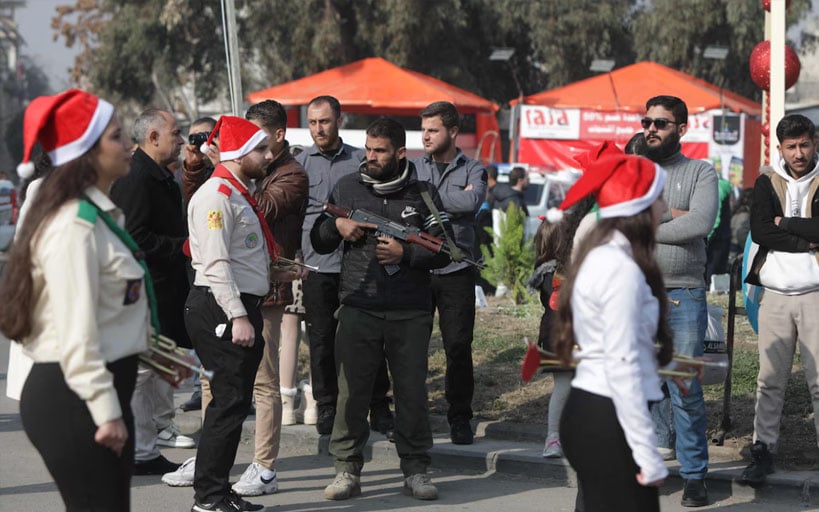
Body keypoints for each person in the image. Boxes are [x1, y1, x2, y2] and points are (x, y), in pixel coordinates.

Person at [0, 89, 148, 510]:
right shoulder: (72, 226)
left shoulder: (96, 215)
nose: (129, 145)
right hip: (77, 398)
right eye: (117, 136)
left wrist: (154, 355)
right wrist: (106, 411)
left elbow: (107, 310)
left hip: (95, 392)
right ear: (86, 152)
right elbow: (75, 333)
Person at [311, 117, 451, 501]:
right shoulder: (348, 187)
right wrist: (337, 226)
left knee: (412, 395)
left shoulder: (423, 194)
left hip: (410, 310)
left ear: (400, 152)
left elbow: (445, 250)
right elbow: (319, 240)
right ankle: (346, 469)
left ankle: (416, 469)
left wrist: (407, 253)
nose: (370, 157)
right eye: (368, 149)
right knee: (350, 394)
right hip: (359, 307)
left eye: (380, 151)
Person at [551, 153, 674, 511]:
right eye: (659, 198)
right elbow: (622, 366)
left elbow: (610, 345)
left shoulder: (601, 255)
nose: (664, 208)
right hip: (608, 418)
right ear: (640, 208)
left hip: (591, 410)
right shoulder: (621, 269)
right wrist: (647, 453)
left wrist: (661, 365)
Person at [185, 115, 273, 512]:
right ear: (238, 153)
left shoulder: (236, 193)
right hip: (221, 307)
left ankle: (216, 490)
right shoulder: (217, 197)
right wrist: (237, 315)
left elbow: (238, 254)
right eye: (261, 149)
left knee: (232, 403)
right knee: (228, 403)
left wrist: (274, 272)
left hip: (234, 303)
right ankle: (209, 498)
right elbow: (216, 264)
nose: (268, 156)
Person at [296, 95, 393, 436]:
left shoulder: (360, 160)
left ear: (339, 120)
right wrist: (296, 256)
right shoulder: (300, 164)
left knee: (370, 339)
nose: (318, 129)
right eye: (312, 122)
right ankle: (326, 407)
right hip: (317, 266)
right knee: (321, 340)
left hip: (359, 266)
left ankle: (379, 407)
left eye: (324, 121)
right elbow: (295, 216)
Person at [643, 95, 717, 507]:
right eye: (647, 122)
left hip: (683, 293)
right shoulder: (635, 171)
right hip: (636, 292)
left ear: (682, 129)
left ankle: (693, 476)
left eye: (661, 123)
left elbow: (701, 222)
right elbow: (616, 218)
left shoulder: (700, 171)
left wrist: (649, 225)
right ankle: (646, 466)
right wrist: (675, 213)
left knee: (684, 387)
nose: (651, 129)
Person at [110, 109, 194, 476]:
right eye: (175, 133)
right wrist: (181, 246)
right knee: (142, 374)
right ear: (153, 137)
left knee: (153, 372)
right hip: (145, 289)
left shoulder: (160, 175)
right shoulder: (137, 177)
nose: (181, 139)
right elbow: (134, 237)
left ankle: (146, 446)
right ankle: (137, 450)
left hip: (165, 288)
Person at [232, 99, 308, 496]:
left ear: (279, 135)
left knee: (264, 381)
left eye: (258, 138)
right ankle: (213, 458)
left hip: (268, 287)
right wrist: (199, 168)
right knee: (218, 379)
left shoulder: (291, 174)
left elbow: (260, 209)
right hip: (232, 285)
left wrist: (232, 171)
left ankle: (264, 467)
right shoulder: (243, 169)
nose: (250, 145)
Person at [741, 114, 819, 488]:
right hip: (775, 293)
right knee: (770, 379)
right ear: (780, 148)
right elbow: (760, 231)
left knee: (818, 382)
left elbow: (777, 228)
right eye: (791, 147)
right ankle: (763, 451)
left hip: (815, 293)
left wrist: (784, 223)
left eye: (804, 145)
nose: (798, 154)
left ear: (815, 143)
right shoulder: (767, 181)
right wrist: (806, 241)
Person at [412, 101, 487, 445]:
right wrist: (451, 201)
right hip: (418, 267)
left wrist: (428, 200)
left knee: (458, 346)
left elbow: (473, 203)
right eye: (423, 130)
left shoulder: (473, 169)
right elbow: (409, 206)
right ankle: (412, 416)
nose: (425, 136)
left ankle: (460, 418)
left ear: (453, 131)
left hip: (457, 271)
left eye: (433, 130)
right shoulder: (413, 167)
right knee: (412, 346)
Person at [181, 116, 219, 204]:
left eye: (201, 137)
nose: (197, 143)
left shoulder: (231, 163)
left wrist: (220, 165)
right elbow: (192, 202)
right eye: (194, 138)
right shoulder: (185, 174)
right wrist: (192, 168)